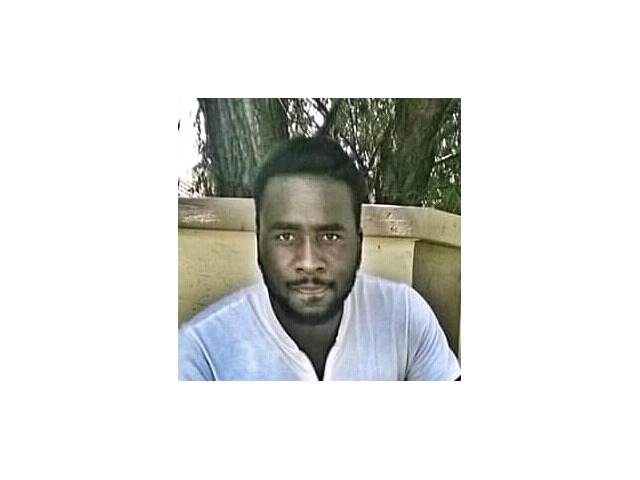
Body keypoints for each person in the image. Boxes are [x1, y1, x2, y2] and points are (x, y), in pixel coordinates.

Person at [178, 136, 461, 381]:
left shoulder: (404, 315)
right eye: (286, 236)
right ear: (259, 241)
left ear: (359, 242)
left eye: (330, 236)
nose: (309, 262)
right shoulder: (202, 352)